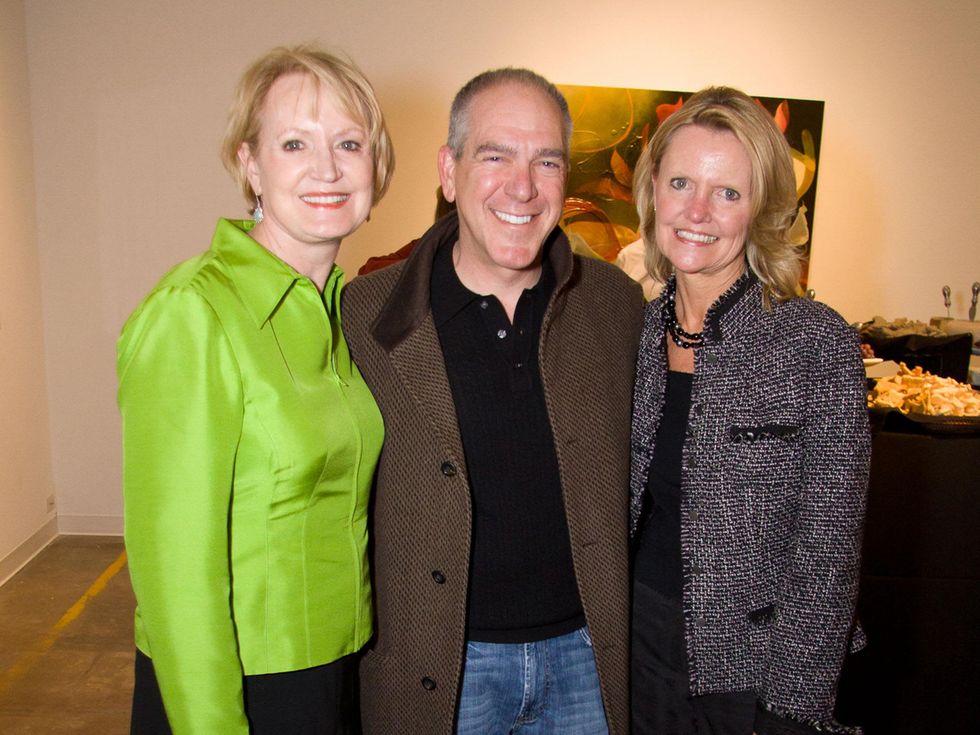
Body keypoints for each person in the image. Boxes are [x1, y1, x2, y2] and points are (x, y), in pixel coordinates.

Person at [342, 69, 644, 734]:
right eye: (495, 155)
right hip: (442, 669)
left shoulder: (617, 307)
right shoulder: (364, 316)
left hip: (584, 664)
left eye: (546, 161)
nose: (523, 185)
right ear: (449, 172)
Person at [117, 45, 394, 733]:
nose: (327, 168)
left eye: (349, 143)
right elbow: (175, 577)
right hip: (236, 687)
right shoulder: (195, 311)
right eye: (295, 142)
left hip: (334, 672)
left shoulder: (341, 309)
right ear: (249, 162)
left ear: (375, 166)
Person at [628, 86, 869, 735]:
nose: (698, 210)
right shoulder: (637, 333)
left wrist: (793, 706)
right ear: (654, 190)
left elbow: (827, 556)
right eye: (681, 182)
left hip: (754, 670)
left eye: (727, 192)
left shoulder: (814, 341)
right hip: (635, 649)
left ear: (760, 208)